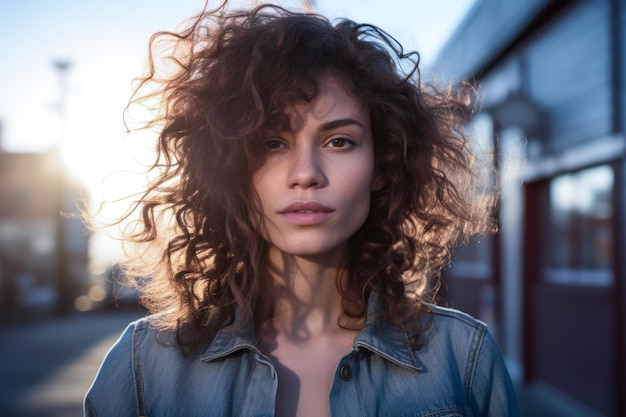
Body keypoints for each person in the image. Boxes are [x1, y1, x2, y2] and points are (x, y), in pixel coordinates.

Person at [84, 1, 520, 416]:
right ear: (231, 167)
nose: (306, 173)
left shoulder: (463, 357)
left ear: (382, 165)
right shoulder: (144, 366)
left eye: (339, 141)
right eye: (272, 143)